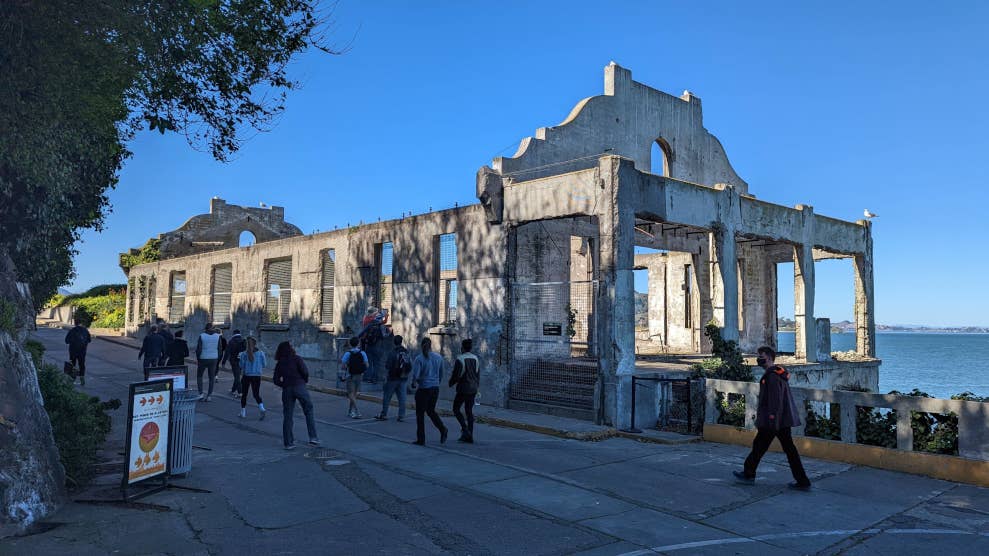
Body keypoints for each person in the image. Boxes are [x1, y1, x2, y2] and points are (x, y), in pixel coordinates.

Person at [733, 346, 812, 491]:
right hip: (780, 421)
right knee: (784, 449)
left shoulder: (772, 376)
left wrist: (771, 419)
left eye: (761, 356)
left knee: (760, 446)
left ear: (768, 357)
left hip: (774, 421)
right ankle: (802, 480)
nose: (758, 358)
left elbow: (775, 400)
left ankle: (749, 474)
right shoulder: (777, 373)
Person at [272, 341, 319, 449]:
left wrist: (283, 384)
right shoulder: (297, 358)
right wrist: (304, 381)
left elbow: (275, 379)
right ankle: (313, 437)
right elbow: (305, 371)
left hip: (287, 389)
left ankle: (288, 442)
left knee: (288, 415)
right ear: (290, 349)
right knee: (308, 410)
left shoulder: (280, 363)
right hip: (299, 386)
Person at [410, 337, 448, 445]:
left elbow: (416, 375)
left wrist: (414, 383)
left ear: (421, 345)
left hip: (424, 389)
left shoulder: (419, 359)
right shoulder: (438, 357)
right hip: (435, 388)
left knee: (420, 414)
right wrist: (436, 383)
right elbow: (441, 374)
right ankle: (442, 429)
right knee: (431, 411)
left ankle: (421, 439)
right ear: (431, 345)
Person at [448, 338, 480, 443]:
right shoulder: (476, 358)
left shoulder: (460, 359)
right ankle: (469, 435)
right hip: (473, 388)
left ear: (462, 347)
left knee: (456, 409)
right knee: (469, 411)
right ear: (470, 348)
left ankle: (465, 430)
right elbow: (477, 374)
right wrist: (476, 387)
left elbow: (456, 375)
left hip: (463, 388)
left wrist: (451, 383)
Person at [376, 335, 412, 422]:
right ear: (401, 342)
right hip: (403, 378)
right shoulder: (406, 352)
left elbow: (388, 366)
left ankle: (384, 414)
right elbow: (410, 364)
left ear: (394, 342)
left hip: (393, 378)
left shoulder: (392, 352)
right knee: (402, 398)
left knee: (387, 396)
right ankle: (401, 416)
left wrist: (386, 376)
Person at [238, 336, 266, 420]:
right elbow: (264, 365)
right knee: (256, 394)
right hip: (257, 376)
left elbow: (241, 366)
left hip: (247, 376)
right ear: (255, 344)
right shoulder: (261, 353)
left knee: (244, 394)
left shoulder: (243, 354)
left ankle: (243, 412)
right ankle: (261, 408)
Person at [340, 336, 369, 418]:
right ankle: (350, 411)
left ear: (350, 344)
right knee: (354, 394)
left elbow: (342, 366)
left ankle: (357, 411)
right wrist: (361, 369)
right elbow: (367, 365)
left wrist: (348, 366)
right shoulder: (363, 353)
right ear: (358, 344)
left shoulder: (347, 353)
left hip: (350, 375)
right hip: (359, 375)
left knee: (350, 394)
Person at [196, 325, 222, 401]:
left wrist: (198, 358)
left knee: (199, 376)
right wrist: (218, 358)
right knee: (211, 377)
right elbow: (220, 348)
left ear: (205, 329)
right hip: (214, 358)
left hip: (203, 357)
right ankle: (209, 395)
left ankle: (200, 394)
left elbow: (199, 349)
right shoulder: (218, 336)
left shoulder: (202, 336)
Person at [64, 318, 91, 386]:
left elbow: (66, 341)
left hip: (73, 351)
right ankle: (82, 378)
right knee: (81, 364)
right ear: (81, 323)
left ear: (75, 323)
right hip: (82, 351)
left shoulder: (72, 330)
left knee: (72, 364)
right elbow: (89, 340)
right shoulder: (85, 330)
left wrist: (73, 342)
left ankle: (72, 379)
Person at [223, 329, 246, 396]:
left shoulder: (231, 341)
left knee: (237, 376)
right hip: (242, 360)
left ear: (233, 333)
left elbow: (227, 352)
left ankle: (240, 392)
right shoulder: (243, 340)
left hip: (234, 361)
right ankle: (233, 390)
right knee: (237, 375)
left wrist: (223, 362)